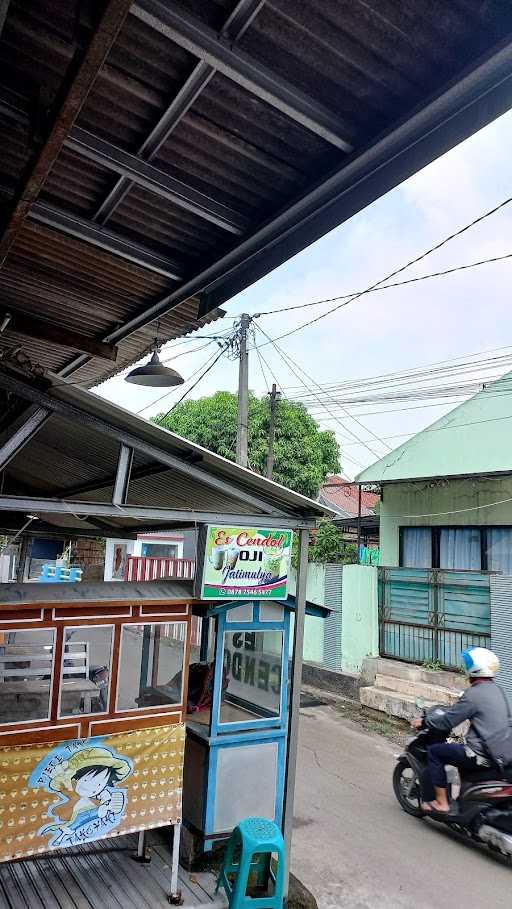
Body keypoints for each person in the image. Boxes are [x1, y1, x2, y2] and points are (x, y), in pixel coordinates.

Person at [411, 647, 509, 813]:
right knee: (457, 753)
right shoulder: (498, 690)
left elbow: (448, 721)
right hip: (502, 753)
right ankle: (464, 798)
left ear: (475, 669)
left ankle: (442, 803)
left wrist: (425, 720)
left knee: (436, 752)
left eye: (468, 664)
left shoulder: (473, 694)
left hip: (480, 754)